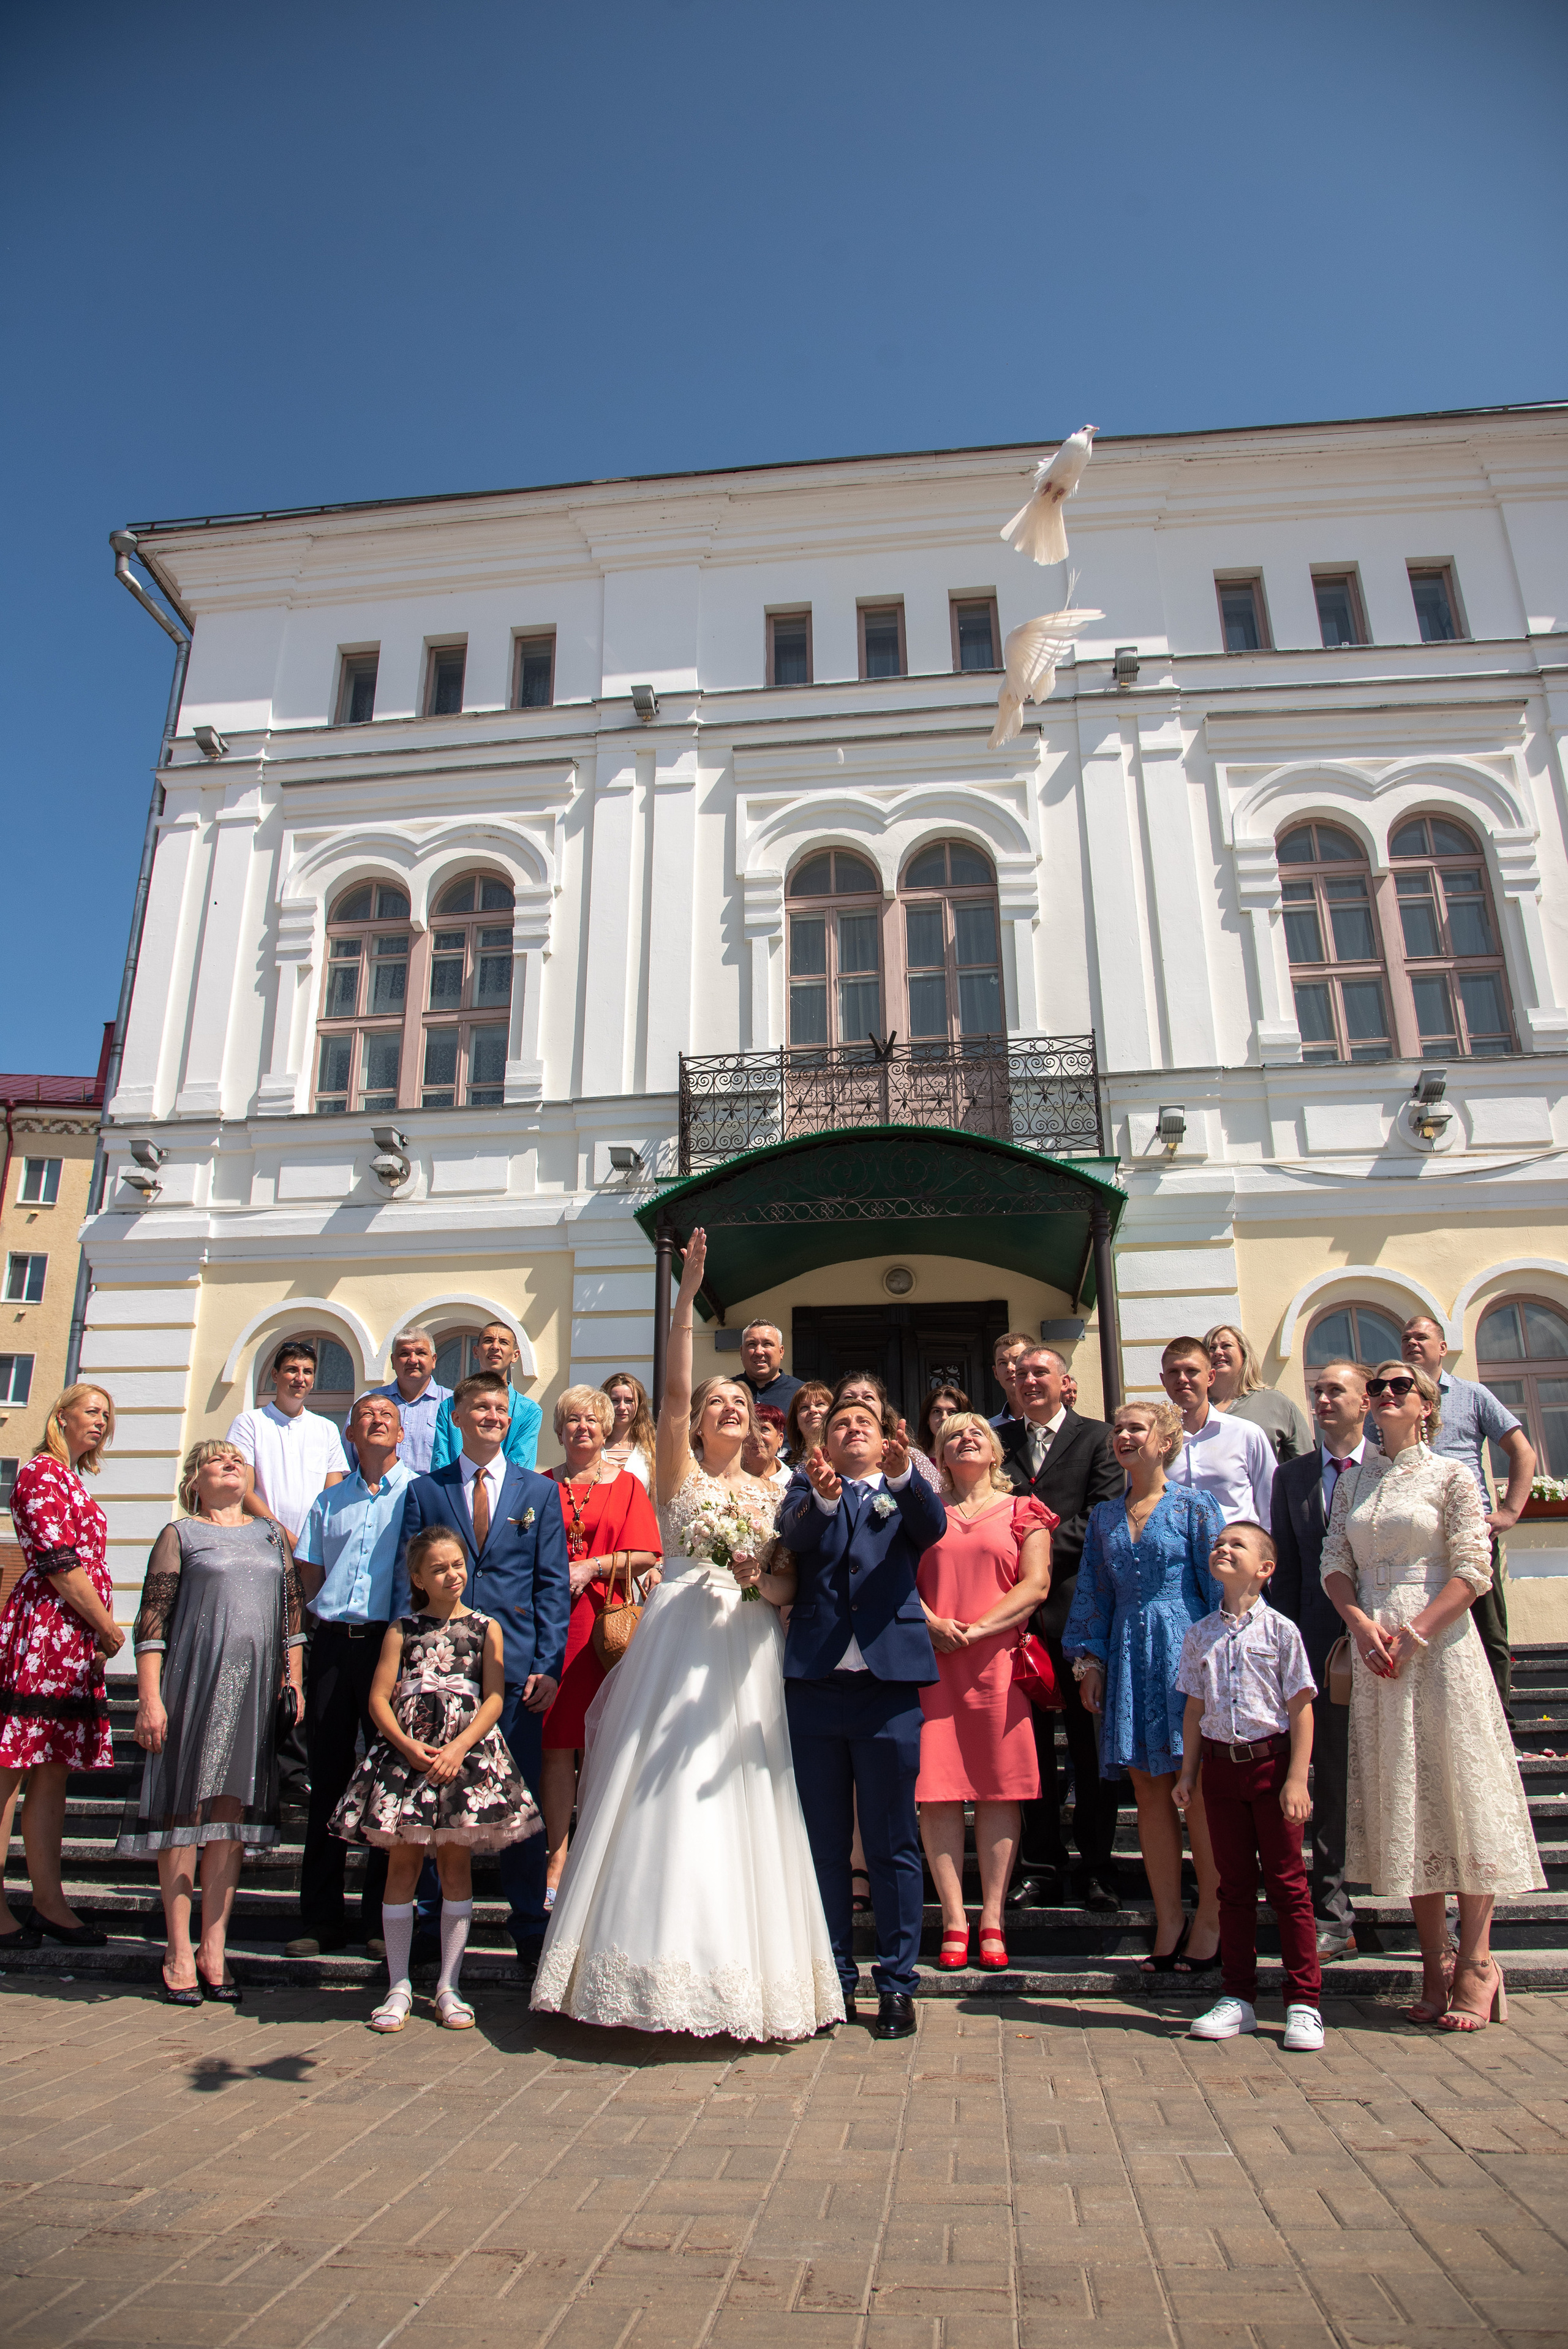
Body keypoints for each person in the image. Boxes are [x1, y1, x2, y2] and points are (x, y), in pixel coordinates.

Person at [533, 1227, 839, 2040]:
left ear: (758, 1421)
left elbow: (787, 1583)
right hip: (679, 1637)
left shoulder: (779, 1494)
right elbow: (667, 1392)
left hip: (746, 1646)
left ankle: (744, 1978)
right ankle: (635, 1972)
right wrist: (685, 1295)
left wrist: (757, 1578)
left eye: (739, 1402)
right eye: (716, 1402)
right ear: (699, 1420)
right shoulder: (679, 1472)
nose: (727, 1408)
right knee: (663, 1787)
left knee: (744, 1790)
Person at [1321, 1358, 1544, 2032]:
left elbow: (1474, 1569)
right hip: (1375, 1654)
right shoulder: (1353, 1480)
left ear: (1425, 1406)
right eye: (1379, 1387)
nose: (1386, 1395)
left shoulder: (1452, 1474)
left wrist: (1415, 1633)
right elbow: (1336, 1562)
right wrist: (1360, 1624)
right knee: (1407, 1803)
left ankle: (1476, 1962)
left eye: (1400, 1387)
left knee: (1459, 1795)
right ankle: (1431, 1964)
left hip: (1441, 1647)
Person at [779, 1386, 948, 2042]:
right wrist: (822, 1496)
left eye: (864, 1422)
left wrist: (905, 1476)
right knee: (823, 1846)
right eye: (840, 1422)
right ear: (824, 1442)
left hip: (888, 1688)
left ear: (885, 1439)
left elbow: (931, 1528)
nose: (852, 1429)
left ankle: (898, 1985)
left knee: (891, 1844)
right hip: (816, 1686)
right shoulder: (804, 1489)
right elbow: (794, 1538)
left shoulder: (904, 1489)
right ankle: (835, 1979)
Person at [332, 1526, 542, 2031]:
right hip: (409, 1757)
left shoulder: (485, 1627)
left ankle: (450, 1983)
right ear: (418, 1577)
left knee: (455, 1867)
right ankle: (399, 1983)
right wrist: (407, 1746)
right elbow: (379, 1698)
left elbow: (494, 1696)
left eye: (457, 1565)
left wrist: (459, 1748)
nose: (453, 1575)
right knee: (402, 1868)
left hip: (463, 1757)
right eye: (439, 1568)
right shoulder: (402, 1629)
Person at [120, 1439, 306, 2005]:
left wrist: (292, 1680)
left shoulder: (271, 1535)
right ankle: (177, 1951)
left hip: (254, 1694)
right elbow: (151, 1623)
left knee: (229, 1819)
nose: (230, 1463)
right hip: (191, 1687)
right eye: (215, 1460)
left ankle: (214, 1948)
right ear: (193, 1481)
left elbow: (292, 1616)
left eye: (236, 1459)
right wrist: (149, 1700)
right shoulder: (181, 1535)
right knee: (184, 1814)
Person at [399, 1371, 570, 1971]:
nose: (492, 1416)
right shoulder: (426, 1492)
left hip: (517, 1671)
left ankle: (529, 1929)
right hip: (440, 1673)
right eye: (481, 1407)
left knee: (516, 1807)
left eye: (501, 1408)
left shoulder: (538, 1493)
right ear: (458, 1417)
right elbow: (406, 1582)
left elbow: (551, 1586)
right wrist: (411, 1666)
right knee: (432, 1806)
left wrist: (549, 1665)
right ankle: (424, 1932)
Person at [1064, 1400, 1226, 1976]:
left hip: (1188, 1654)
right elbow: (1094, 1597)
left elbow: (1221, 1589)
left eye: (1136, 1427)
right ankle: (1168, 1918)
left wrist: (1221, 1665)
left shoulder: (1197, 1507)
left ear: (1165, 1440)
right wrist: (1091, 1665)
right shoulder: (1106, 1517)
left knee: (1198, 1789)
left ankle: (1212, 1913)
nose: (1123, 1436)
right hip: (1130, 1655)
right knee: (1150, 1792)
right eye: (1118, 1430)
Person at [1174, 1521, 1323, 2051]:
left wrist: (1297, 1778)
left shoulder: (1282, 1632)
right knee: (1232, 1886)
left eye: (1237, 1544)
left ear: (1265, 1568)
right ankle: (1238, 1997)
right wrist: (1189, 1773)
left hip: (1271, 1766)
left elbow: (1301, 1707)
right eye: (1219, 1543)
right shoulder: (1200, 1634)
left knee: (1287, 1885)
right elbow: (1194, 1708)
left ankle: (1304, 2001)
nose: (1223, 1548)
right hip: (1220, 1770)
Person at [916, 1412, 1054, 1972]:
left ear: (996, 1452)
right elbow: (896, 1577)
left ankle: (992, 1916)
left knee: (1000, 1790)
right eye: (952, 1437)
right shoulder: (924, 1514)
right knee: (938, 1789)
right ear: (941, 1457)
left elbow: (1036, 1583)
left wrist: (977, 1630)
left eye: (976, 1433)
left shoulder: (1025, 1510)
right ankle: (954, 1918)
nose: (965, 1439)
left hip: (998, 1663)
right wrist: (929, 1622)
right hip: (933, 1662)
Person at [285, 1391, 415, 1959]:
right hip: (336, 1647)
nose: (379, 1419)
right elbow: (310, 1573)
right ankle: (321, 1919)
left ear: (402, 1434)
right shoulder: (328, 1502)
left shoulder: (419, 1493)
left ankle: (375, 1922)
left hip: (392, 1647)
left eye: (387, 1415)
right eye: (367, 1415)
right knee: (330, 1782)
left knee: (387, 1783)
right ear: (350, 1434)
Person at [997, 1345, 1125, 1911]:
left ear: (1063, 1381)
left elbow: (1101, 1514)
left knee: (1089, 1748)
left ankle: (1097, 1867)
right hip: (1017, 1619)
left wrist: (1038, 1554)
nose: (1028, 1381)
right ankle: (1041, 1867)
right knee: (1029, 1751)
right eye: (1019, 1373)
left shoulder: (1098, 1439)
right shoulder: (1001, 1442)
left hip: (1081, 1612)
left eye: (1038, 1372)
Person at [0, 1386, 123, 1950]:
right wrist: (106, 1625)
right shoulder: (41, 1474)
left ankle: (49, 1903)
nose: (101, 1421)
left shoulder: (74, 1479)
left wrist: (95, 1633)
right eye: (92, 1411)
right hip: (48, 1628)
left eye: (107, 1415)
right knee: (11, 1770)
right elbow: (57, 1562)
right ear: (61, 1416)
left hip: (73, 1639)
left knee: (52, 1772)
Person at [539, 1386, 662, 1905]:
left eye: (592, 1419)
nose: (582, 1428)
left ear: (608, 1426)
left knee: (598, 1741)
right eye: (571, 1420)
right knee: (554, 1741)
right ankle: (555, 1855)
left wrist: (593, 1565)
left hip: (603, 1624)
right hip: (551, 1624)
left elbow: (647, 1551)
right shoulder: (541, 1485)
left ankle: (591, 1853)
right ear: (559, 1429)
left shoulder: (628, 1485)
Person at [1270, 1360, 1370, 1959]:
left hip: (1387, 1645)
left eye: (1336, 1390)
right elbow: (1289, 1579)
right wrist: (1290, 1657)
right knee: (1327, 1779)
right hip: (1318, 1650)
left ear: (1365, 1401)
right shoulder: (1293, 1478)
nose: (1323, 1399)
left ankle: (1430, 1904)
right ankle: (1332, 1909)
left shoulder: (1389, 1471)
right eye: (1317, 1391)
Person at [1401, 1314, 1536, 1717]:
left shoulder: (1472, 1395)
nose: (1412, 1343)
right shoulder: (1393, 1398)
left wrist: (1510, 1512)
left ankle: (1500, 1718)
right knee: (1424, 1625)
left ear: (1443, 1347)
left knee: (1488, 1626)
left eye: (1422, 1336)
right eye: (1405, 1337)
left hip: (1471, 1532)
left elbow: (1523, 1451)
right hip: (1416, 1534)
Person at [228, 1341, 350, 1545]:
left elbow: (333, 1496)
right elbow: (243, 1491)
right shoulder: (249, 1423)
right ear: (275, 1376)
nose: (300, 1378)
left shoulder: (327, 1428)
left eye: (308, 1372)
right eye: (292, 1370)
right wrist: (289, 1542)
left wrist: (310, 1548)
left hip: (313, 1548)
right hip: (262, 1544)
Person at [1161, 1337, 1275, 1524]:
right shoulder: (1152, 1442)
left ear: (1211, 1377)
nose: (1182, 1379)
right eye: (1174, 1372)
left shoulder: (1247, 1435)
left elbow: (1271, 1507)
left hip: (1233, 1550)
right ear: (1163, 1380)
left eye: (1192, 1371)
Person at [430, 1322, 543, 1472]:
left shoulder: (529, 1412)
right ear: (476, 1352)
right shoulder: (450, 1406)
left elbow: (519, 1467)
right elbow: (441, 1464)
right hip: (454, 1490)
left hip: (506, 1493)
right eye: (489, 1340)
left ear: (515, 1355)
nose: (495, 1347)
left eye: (503, 1342)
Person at [1205, 1325, 1311, 1465]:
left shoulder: (1276, 1404)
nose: (1218, 1352)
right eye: (1211, 1348)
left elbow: (1307, 1466)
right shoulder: (1194, 1409)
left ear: (1244, 1354)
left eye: (1226, 1346)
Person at [371, 1326, 451, 1475]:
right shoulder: (369, 1403)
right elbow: (349, 1459)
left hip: (431, 1496)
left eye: (421, 1353)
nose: (413, 1360)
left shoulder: (452, 1404)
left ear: (433, 1360)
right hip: (379, 1496)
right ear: (393, 1361)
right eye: (404, 1354)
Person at [601, 1372, 656, 1488]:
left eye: (629, 1400)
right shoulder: (595, 1446)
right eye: (615, 1401)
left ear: (639, 1404)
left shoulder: (651, 1448)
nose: (622, 1407)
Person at [737, 1318, 802, 1415]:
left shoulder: (802, 1393)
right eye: (752, 1344)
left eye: (767, 1344)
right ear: (742, 1352)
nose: (759, 1351)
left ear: (781, 1352)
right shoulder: (725, 1390)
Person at [914, 1383, 969, 1474]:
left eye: (952, 1412)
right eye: (937, 1411)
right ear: (927, 1418)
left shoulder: (971, 1457)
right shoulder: (914, 1460)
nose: (944, 1417)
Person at [742, 1403, 792, 1496]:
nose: (756, 1436)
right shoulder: (725, 1476)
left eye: (765, 1429)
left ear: (780, 1439)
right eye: (751, 1429)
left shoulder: (792, 1482)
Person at [989, 1331, 1036, 1428]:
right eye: (1003, 1363)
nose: (1010, 1368)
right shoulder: (989, 1430)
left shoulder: (1056, 1423)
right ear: (996, 1372)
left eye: (1017, 1360)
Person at [785, 1381, 832, 1467]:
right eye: (804, 1407)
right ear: (796, 1423)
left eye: (820, 1404)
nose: (813, 1410)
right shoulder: (785, 1464)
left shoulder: (846, 1456)